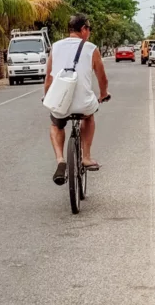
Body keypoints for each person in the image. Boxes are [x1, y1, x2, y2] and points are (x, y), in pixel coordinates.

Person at [44, 13, 110, 185]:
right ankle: (86, 157)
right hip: (83, 103)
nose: (89, 33)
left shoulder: (56, 47)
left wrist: (47, 96)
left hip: (61, 102)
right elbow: (102, 78)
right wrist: (103, 94)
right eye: (89, 29)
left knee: (56, 124)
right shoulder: (91, 48)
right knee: (89, 116)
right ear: (83, 29)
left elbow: (49, 79)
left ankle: (60, 160)